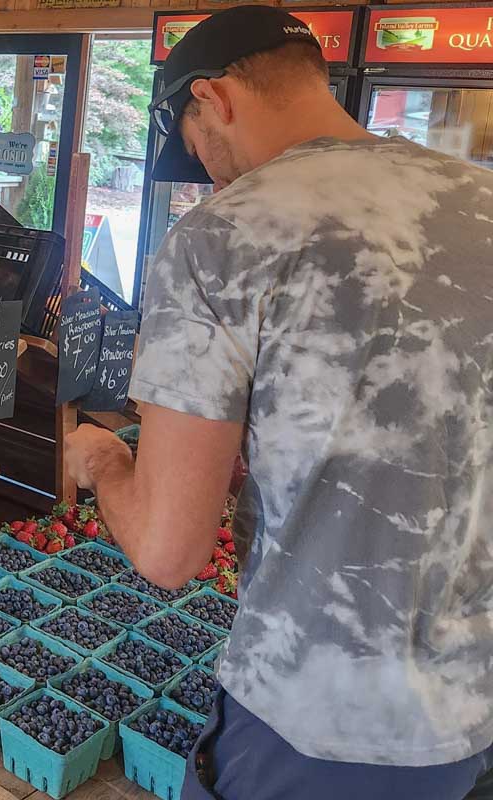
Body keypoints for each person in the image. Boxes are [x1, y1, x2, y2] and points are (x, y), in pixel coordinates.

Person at [63, 6, 493, 798]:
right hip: (468, 711)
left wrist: (103, 462)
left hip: (314, 718)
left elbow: (169, 553)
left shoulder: (225, 234)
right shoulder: (478, 199)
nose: (213, 177)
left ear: (214, 100)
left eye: (200, 151)